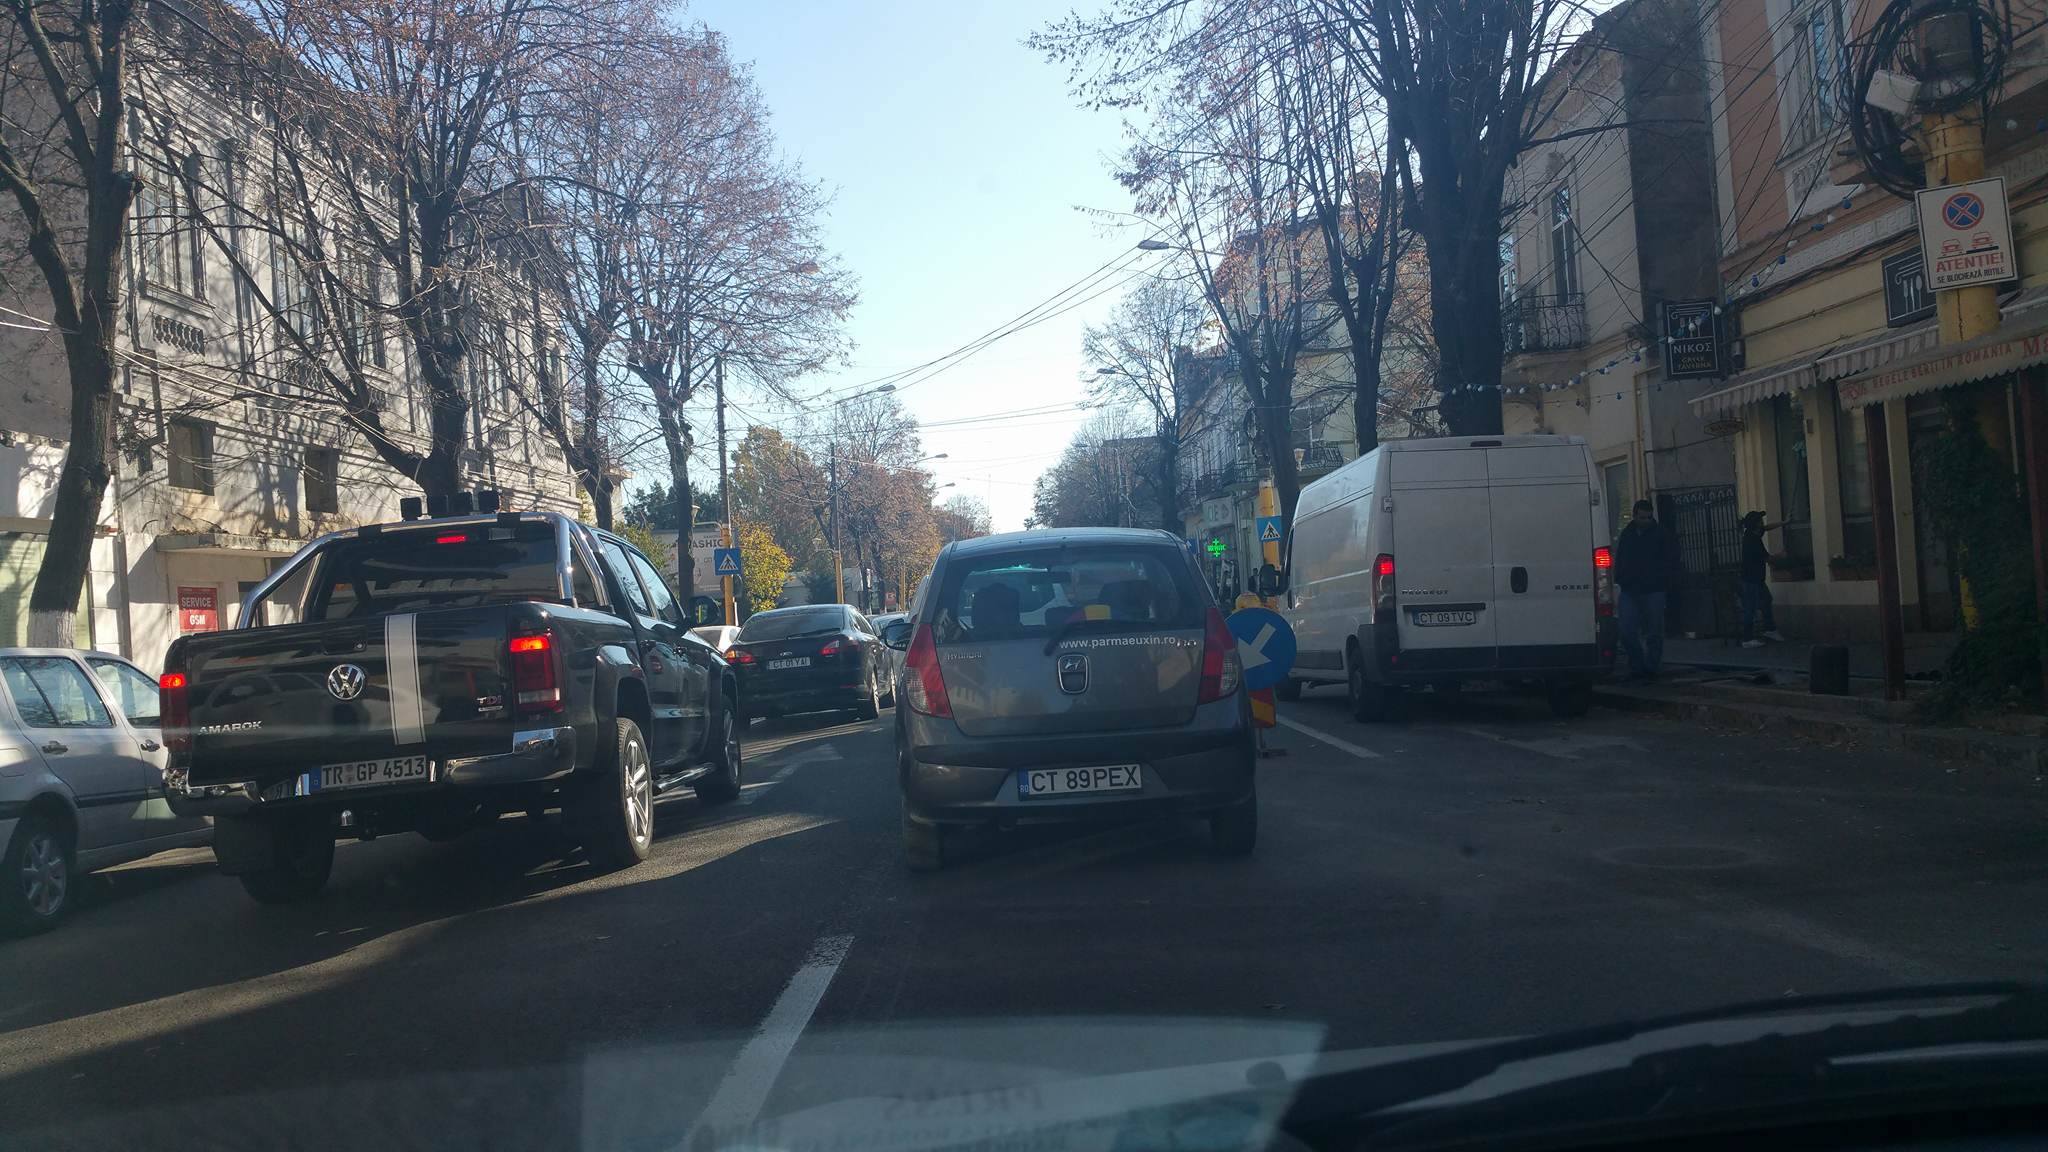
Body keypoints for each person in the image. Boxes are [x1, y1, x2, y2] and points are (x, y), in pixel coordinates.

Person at [1613, 499, 1677, 678]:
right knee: (1626, 631)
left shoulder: (1660, 534)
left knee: (1654, 631)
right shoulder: (1628, 534)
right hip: (1630, 589)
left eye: (1648, 517)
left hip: (1653, 588)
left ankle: (1650, 667)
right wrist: (1621, 578)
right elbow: (1620, 557)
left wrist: (1664, 581)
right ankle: (1638, 664)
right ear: (1634, 516)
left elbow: (1670, 559)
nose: (1646, 521)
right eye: (1642, 517)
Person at [1737, 510, 1789, 648]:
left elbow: (1766, 528)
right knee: (1751, 607)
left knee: (1766, 600)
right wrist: (1781, 555)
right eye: (1760, 520)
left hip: (1756, 579)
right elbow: (1767, 558)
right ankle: (1747, 639)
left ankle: (1770, 629)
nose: (1762, 522)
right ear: (1756, 524)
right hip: (1751, 579)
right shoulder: (1752, 540)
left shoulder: (1752, 533)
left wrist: (1783, 523)